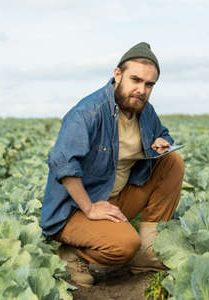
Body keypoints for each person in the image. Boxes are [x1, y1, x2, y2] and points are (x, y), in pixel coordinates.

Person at [40, 42, 185, 287]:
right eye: (135, 79)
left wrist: (163, 142)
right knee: (124, 246)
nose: (141, 90)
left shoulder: (144, 111)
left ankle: (147, 252)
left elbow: (164, 134)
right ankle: (72, 253)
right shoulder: (88, 112)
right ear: (117, 74)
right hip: (75, 210)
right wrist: (89, 208)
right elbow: (62, 161)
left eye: (149, 84)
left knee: (171, 162)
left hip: (113, 198)